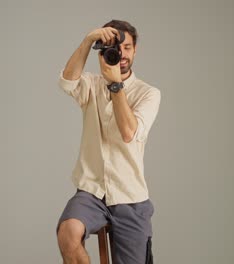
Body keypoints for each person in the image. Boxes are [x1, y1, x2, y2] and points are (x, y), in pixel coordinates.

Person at [56, 19, 161, 264]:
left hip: (130, 196)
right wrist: (87, 40)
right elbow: (67, 81)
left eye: (127, 48)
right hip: (92, 191)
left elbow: (128, 133)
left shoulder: (148, 93)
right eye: (115, 48)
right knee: (68, 233)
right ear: (102, 51)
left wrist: (116, 85)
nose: (121, 54)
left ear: (135, 50)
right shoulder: (91, 84)